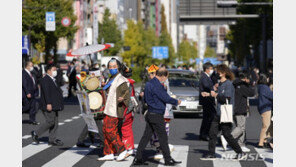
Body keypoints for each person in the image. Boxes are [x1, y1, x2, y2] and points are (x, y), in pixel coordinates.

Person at [132, 68, 182, 166]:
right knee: (163, 138)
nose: (165, 80)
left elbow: (145, 98)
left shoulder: (149, 84)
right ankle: (168, 160)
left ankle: (138, 158)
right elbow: (165, 97)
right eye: (166, 77)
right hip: (157, 115)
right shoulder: (157, 85)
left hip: (150, 113)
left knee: (145, 137)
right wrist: (176, 102)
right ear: (162, 76)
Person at [201, 64, 245, 160]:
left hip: (225, 113)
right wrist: (208, 94)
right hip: (218, 113)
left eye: (219, 71)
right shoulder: (220, 83)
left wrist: (215, 94)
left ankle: (240, 152)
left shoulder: (228, 84)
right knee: (212, 133)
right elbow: (218, 95)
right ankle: (211, 153)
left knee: (227, 135)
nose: (217, 73)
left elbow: (226, 98)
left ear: (224, 73)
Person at [97, 58, 130, 161]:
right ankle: (109, 152)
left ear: (118, 67)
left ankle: (122, 150)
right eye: (110, 67)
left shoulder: (121, 80)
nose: (112, 68)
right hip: (107, 108)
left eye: (114, 67)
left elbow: (126, 95)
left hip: (114, 109)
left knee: (111, 131)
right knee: (105, 131)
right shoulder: (110, 79)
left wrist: (123, 99)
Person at [31, 64, 64, 146]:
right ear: (48, 71)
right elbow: (46, 93)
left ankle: (52, 140)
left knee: (55, 122)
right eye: (54, 69)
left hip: (55, 104)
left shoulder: (53, 79)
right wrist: (48, 103)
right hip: (48, 104)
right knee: (50, 121)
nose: (55, 71)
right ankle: (36, 133)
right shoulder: (45, 79)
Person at [222, 72, 255, 152]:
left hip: (234, 108)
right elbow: (251, 93)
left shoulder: (234, 84)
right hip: (240, 109)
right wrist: (250, 84)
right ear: (245, 79)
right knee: (240, 127)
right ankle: (227, 138)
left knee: (241, 127)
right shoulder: (242, 86)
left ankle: (241, 144)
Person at [120, 66, 136, 156]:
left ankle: (127, 147)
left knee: (124, 128)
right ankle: (130, 147)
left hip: (126, 108)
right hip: (131, 108)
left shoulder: (124, 83)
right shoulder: (131, 82)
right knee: (128, 128)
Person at [199, 62, 216, 141]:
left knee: (207, 117)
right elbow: (206, 86)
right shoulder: (204, 77)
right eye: (211, 69)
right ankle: (205, 134)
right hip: (206, 99)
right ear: (207, 69)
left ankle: (203, 133)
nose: (212, 70)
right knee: (209, 117)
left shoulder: (207, 76)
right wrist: (212, 89)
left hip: (208, 99)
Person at [257, 74, 273, 148]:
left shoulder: (260, 87)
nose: (268, 79)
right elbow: (271, 95)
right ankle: (261, 142)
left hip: (263, 107)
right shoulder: (265, 87)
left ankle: (265, 140)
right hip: (266, 107)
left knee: (268, 125)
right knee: (266, 126)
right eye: (267, 78)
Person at [22, 61, 39, 125]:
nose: (33, 67)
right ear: (28, 66)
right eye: (32, 66)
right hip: (27, 93)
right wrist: (27, 93)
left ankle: (32, 120)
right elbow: (24, 84)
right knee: (27, 107)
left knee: (33, 107)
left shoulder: (30, 73)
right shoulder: (23, 73)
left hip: (33, 92)